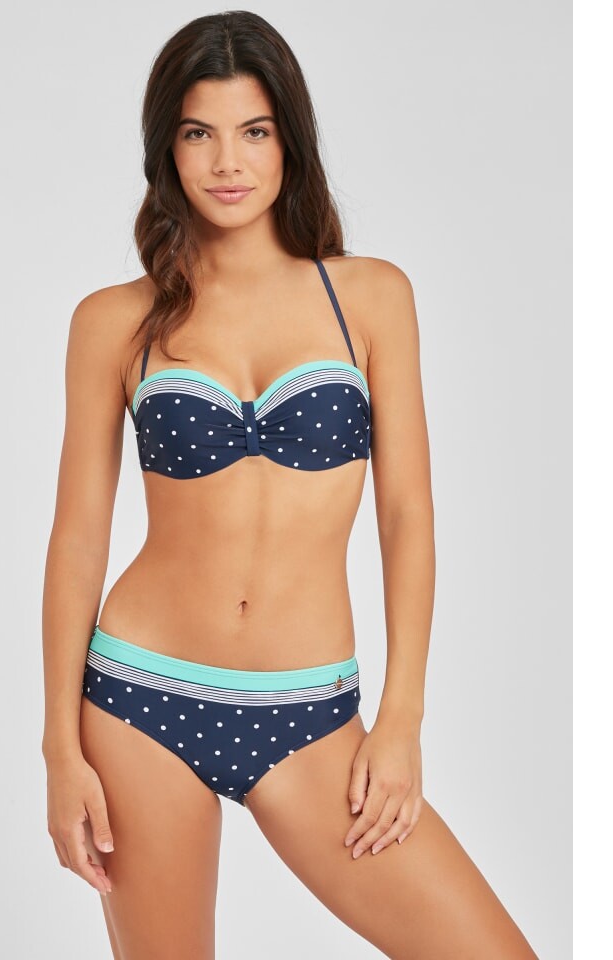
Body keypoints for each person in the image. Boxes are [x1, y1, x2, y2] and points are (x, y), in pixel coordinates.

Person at [41, 11, 539, 959]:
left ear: (290, 142)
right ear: (167, 148)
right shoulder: (113, 321)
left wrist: (401, 720)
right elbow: (76, 540)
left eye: (255, 131)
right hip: (141, 698)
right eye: (199, 133)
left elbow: (407, 514)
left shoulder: (372, 298)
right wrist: (59, 748)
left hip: (311, 716)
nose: (228, 162)